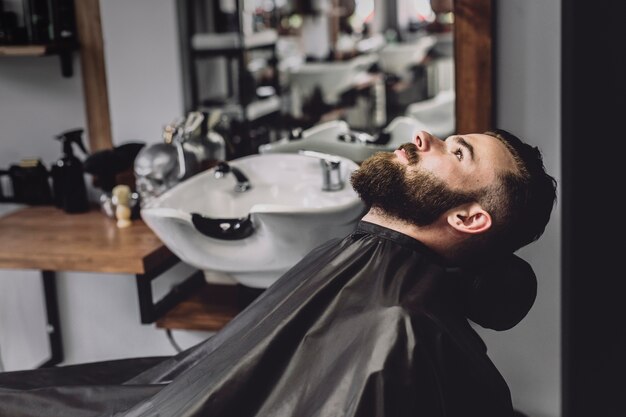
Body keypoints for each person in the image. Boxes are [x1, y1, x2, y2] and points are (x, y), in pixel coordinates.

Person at [0, 128, 557, 417]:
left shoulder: (399, 326)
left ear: (468, 216)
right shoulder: (373, 264)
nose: (424, 137)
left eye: (455, 152)